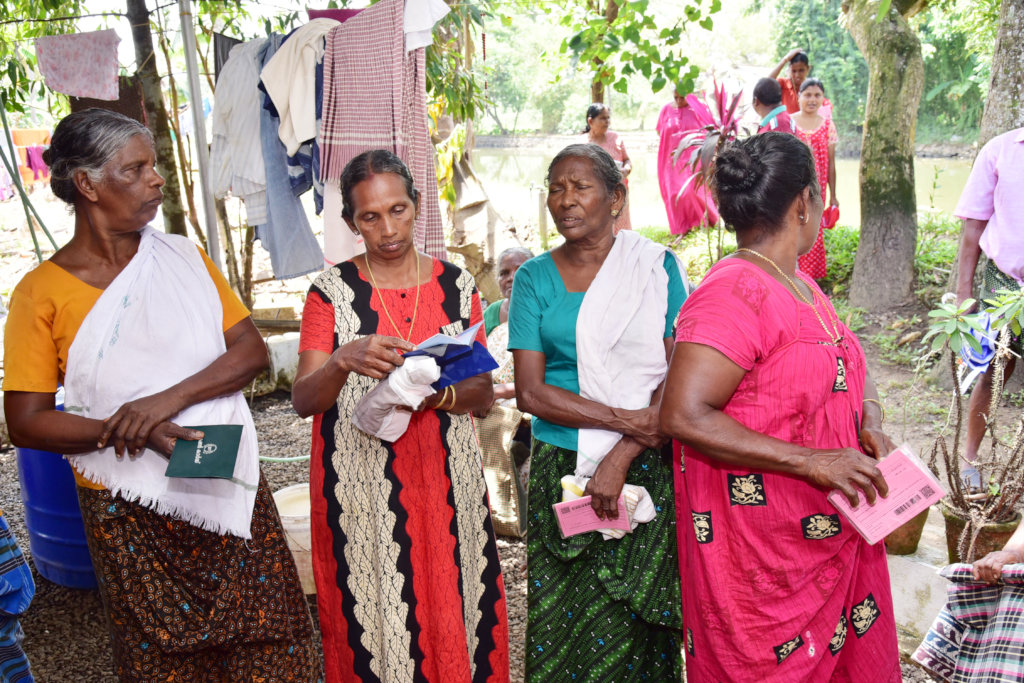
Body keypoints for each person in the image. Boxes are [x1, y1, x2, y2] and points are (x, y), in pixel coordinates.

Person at [2, 108, 319, 680]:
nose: (157, 179)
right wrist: (131, 431)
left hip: (225, 481)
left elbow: (248, 354)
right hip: (127, 502)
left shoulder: (182, 258)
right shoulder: (39, 294)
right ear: (88, 185)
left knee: (269, 644)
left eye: (154, 166)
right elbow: (26, 421)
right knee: (163, 658)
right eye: (136, 168)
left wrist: (161, 405)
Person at [659, 132, 900, 682]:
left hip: (838, 533)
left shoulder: (805, 288)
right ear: (804, 203)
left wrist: (870, 421)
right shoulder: (731, 295)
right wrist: (813, 462)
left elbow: (848, 369)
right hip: (765, 559)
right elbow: (682, 415)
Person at [292, 149, 510, 682]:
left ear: (417, 206)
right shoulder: (331, 293)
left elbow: (481, 391)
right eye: (370, 216)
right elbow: (304, 400)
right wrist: (343, 359)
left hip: (445, 475)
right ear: (350, 223)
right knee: (377, 609)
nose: (387, 228)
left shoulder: (455, 285)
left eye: (398, 210)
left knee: (454, 596)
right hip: (361, 482)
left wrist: (420, 394)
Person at [509, 143, 687, 681]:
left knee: (638, 623)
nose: (566, 200)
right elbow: (532, 395)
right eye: (556, 187)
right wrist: (625, 421)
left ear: (616, 197)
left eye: (580, 186)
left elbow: (678, 376)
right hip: (561, 470)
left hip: (644, 468)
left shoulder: (655, 267)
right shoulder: (534, 279)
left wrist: (624, 453)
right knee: (564, 622)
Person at [952, 126, 1024, 489]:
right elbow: (973, 228)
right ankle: (971, 457)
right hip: (1006, 283)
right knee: (995, 367)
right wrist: (965, 293)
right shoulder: (1000, 150)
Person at [792, 78, 838, 280]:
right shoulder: (790, 122)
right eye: (808, 95)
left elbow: (831, 163)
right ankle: (792, 274)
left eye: (817, 95)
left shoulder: (827, 125)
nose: (812, 99)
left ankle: (809, 280)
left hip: (817, 191)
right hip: (793, 188)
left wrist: (833, 196)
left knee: (813, 230)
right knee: (792, 226)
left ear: (823, 99)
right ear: (798, 96)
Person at [656, 90, 720, 236]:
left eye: (682, 97)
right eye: (675, 97)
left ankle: (703, 222)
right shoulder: (666, 109)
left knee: (692, 190)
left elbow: (711, 133)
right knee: (674, 194)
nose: (678, 101)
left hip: (694, 158)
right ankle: (682, 229)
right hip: (670, 159)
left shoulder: (698, 109)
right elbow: (660, 131)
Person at [580, 103, 632, 231]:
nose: (607, 122)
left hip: (619, 193)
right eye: (603, 118)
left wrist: (626, 169)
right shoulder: (581, 144)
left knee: (621, 229)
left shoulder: (615, 138)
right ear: (590, 121)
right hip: (595, 196)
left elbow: (627, 160)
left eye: (608, 118)